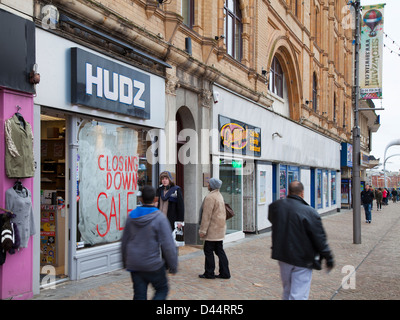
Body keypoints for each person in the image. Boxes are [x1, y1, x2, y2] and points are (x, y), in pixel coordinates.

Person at [268, 180, 334, 300]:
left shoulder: (276, 206)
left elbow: (273, 220)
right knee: (299, 293)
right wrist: (328, 257)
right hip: (303, 258)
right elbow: (319, 237)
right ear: (302, 193)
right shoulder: (310, 212)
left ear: (289, 191)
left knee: (287, 289)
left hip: (283, 255)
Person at [121, 185, 178, 300]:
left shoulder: (131, 216)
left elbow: (124, 241)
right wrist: (173, 265)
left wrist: (125, 261)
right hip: (152, 263)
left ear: (141, 199)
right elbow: (168, 244)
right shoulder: (159, 217)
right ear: (155, 199)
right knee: (162, 289)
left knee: (139, 295)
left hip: (135, 263)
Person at [198, 178, 231, 279]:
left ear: (211, 185)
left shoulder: (210, 197)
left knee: (208, 250)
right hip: (219, 229)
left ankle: (209, 273)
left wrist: (203, 230)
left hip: (212, 230)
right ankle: (225, 273)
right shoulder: (219, 195)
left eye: (209, 183)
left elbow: (206, 216)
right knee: (219, 251)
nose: (207, 184)